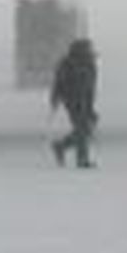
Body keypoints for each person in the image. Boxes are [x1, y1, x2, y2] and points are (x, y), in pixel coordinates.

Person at [48, 38, 98, 168]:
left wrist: (91, 106)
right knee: (82, 128)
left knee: (86, 129)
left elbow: (91, 87)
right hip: (72, 101)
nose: (89, 50)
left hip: (85, 100)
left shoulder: (90, 63)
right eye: (87, 48)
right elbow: (58, 83)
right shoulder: (67, 63)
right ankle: (82, 159)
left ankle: (61, 146)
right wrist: (55, 99)